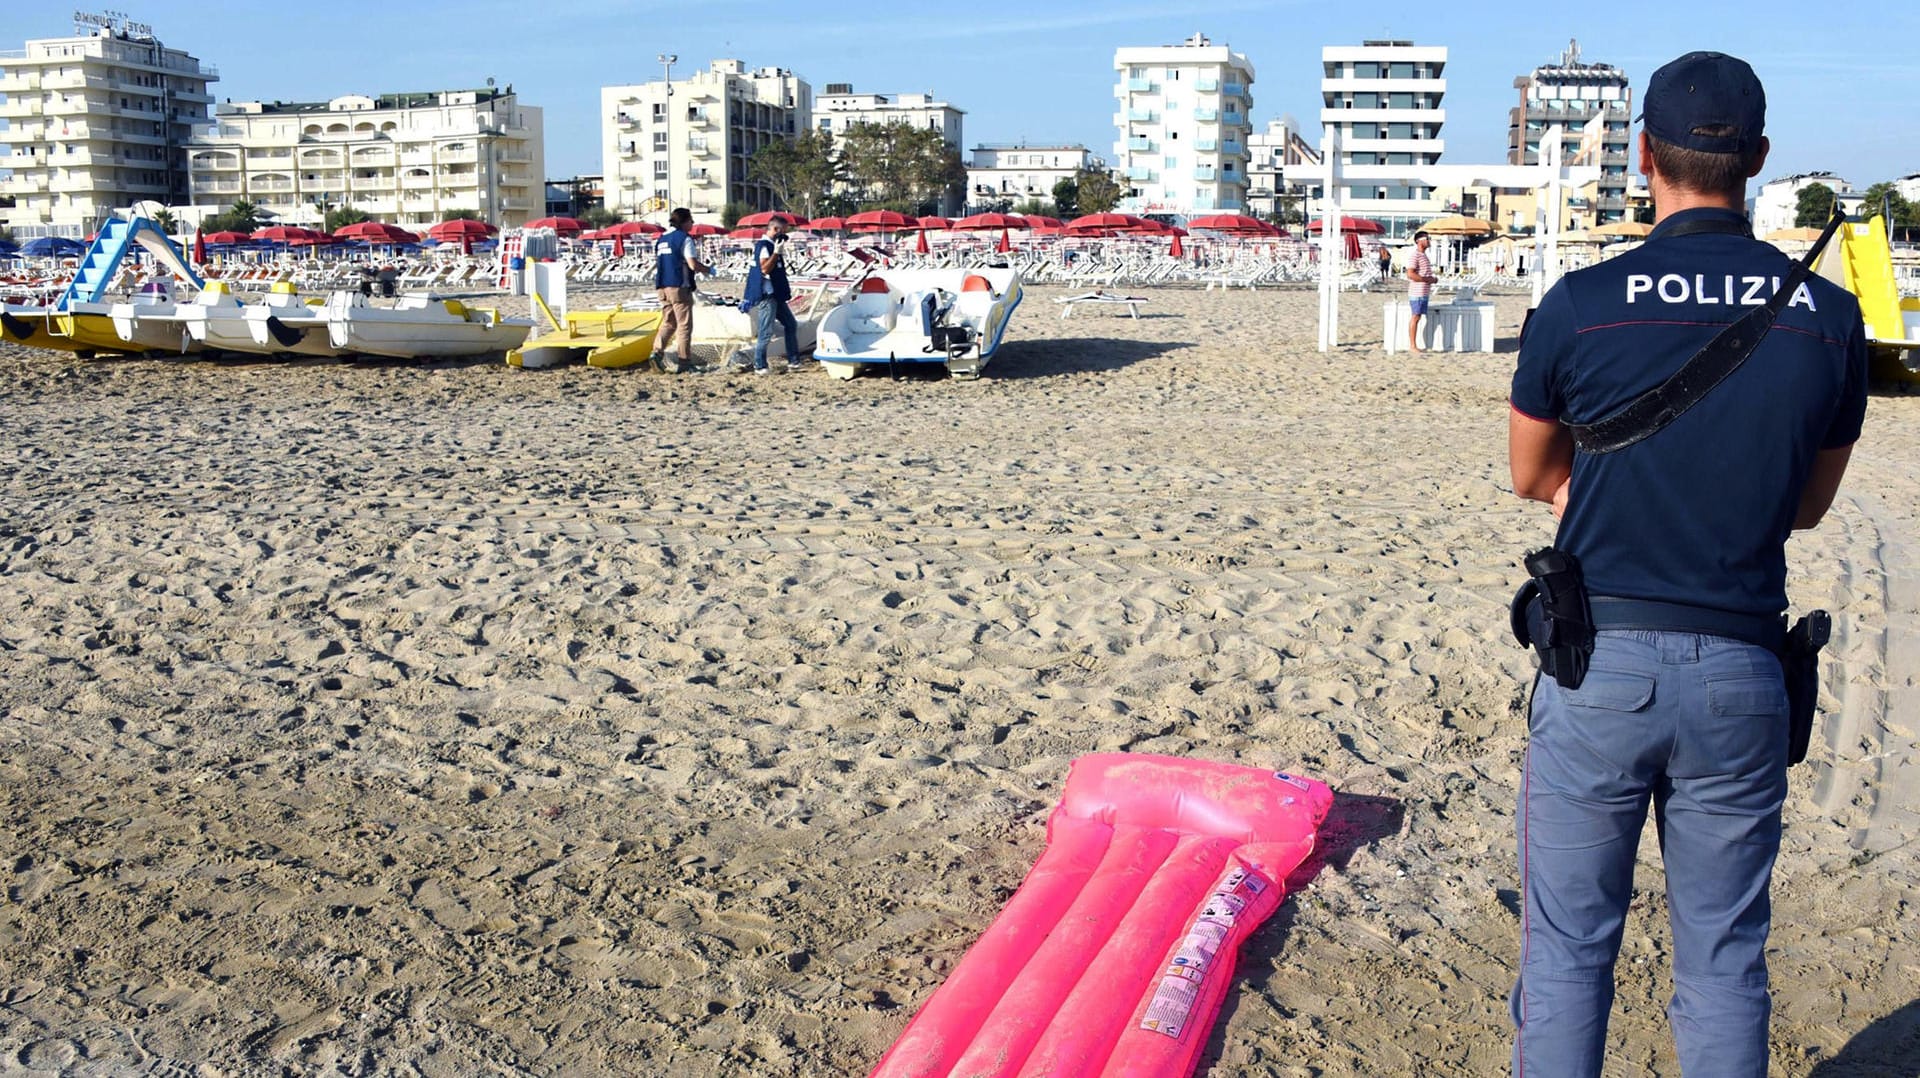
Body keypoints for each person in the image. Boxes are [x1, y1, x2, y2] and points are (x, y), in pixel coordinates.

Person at [1506, 51, 1867, 1078]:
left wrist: (1602, 490)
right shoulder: (1830, 319)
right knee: (1723, 962)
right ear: (1754, 158)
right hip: (1744, 673)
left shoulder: (1582, 303)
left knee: (1570, 954)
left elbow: (1533, 474)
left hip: (1601, 667)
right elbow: (1805, 507)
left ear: (1642, 158)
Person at [652, 207, 714, 373]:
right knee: (684, 326)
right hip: (679, 286)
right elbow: (692, 264)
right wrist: (708, 269)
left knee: (668, 322)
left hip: (662, 286)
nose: (692, 224)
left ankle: (656, 353)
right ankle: (684, 362)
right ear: (684, 222)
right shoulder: (684, 239)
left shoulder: (661, 239)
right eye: (691, 221)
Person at [744, 217, 801, 375]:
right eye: (782, 232)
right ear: (775, 230)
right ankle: (760, 364)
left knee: (791, 324)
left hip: (776, 294)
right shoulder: (764, 246)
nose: (784, 236)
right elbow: (764, 269)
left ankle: (794, 360)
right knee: (765, 331)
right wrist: (776, 252)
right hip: (767, 295)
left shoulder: (771, 245)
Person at [1405, 231, 1436, 351]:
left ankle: (1414, 345)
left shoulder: (1423, 256)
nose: (1429, 241)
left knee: (1418, 317)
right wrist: (1427, 279)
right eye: (1427, 239)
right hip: (1417, 292)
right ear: (1419, 241)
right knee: (1415, 317)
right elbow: (1410, 274)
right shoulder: (1415, 255)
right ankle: (1413, 345)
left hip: (1422, 292)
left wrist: (1431, 280)